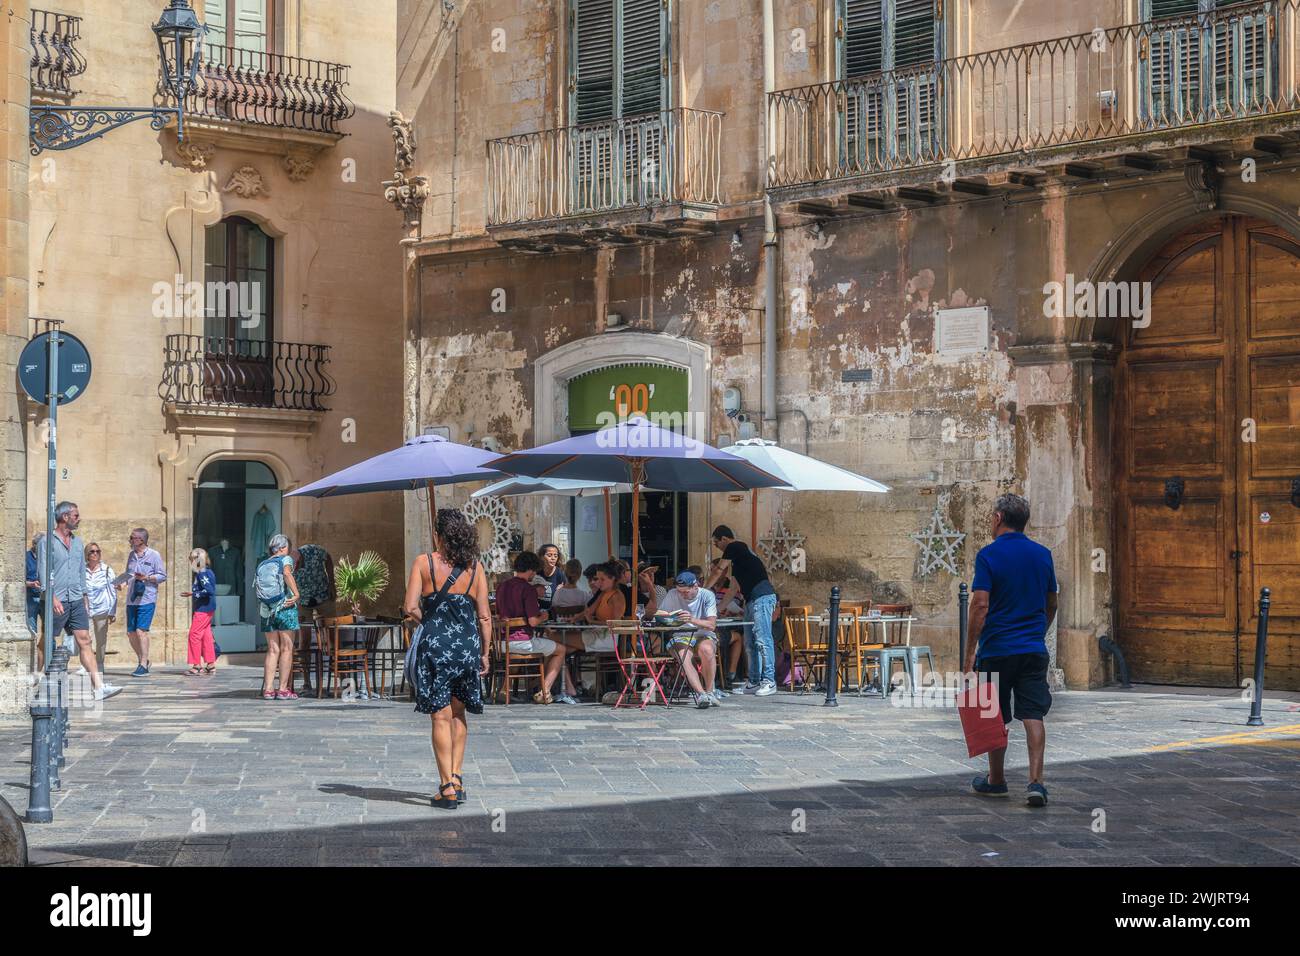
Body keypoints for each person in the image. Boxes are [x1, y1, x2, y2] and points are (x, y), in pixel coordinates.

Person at [965, 493, 1057, 808]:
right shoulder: (1043, 554)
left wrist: (969, 651)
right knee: (1033, 714)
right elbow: (1052, 602)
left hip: (996, 649)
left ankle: (996, 780)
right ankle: (1036, 782)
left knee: (994, 714)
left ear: (999, 518)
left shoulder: (988, 556)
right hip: (1032, 648)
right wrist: (1037, 633)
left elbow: (980, 604)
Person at [403, 508, 492, 810]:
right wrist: (485, 652)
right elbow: (484, 615)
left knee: (440, 717)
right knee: (458, 715)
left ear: (438, 535)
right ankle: (457, 777)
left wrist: (429, 622)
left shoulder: (423, 563)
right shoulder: (475, 567)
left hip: (436, 648)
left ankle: (446, 788)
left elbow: (409, 607)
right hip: (467, 648)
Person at [36, 502, 120, 700]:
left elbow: (81, 572)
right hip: (56, 599)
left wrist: (84, 597)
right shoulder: (47, 541)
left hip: (75, 600)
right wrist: (52, 596)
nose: (78, 518)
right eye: (75, 515)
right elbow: (43, 571)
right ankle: (38, 676)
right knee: (47, 639)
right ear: (65, 517)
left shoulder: (77, 542)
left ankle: (98, 687)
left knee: (85, 640)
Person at [706, 525, 779, 696]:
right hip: (751, 601)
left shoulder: (735, 546)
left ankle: (769, 681)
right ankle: (754, 681)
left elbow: (718, 570)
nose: (718, 548)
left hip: (762, 597)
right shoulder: (739, 562)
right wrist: (716, 610)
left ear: (724, 539)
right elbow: (732, 590)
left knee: (763, 639)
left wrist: (703, 589)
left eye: (717, 544)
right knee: (750, 642)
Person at [494, 551, 573, 705]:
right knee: (561, 650)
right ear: (531, 569)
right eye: (534, 571)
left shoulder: (502, 587)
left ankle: (505, 689)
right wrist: (544, 616)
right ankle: (545, 691)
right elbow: (533, 622)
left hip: (502, 642)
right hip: (521, 640)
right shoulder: (527, 589)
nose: (534, 574)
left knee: (524, 650)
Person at [644, 570, 720, 709]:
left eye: (685, 592)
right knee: (683, 656)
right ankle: (701, 694)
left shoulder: (707, 595)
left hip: (703, 634)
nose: (682, 595)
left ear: (695, 586)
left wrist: (691, 619)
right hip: (680, 635)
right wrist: (668, 619)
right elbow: (661, 615)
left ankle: (710, 692)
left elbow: (711, 625)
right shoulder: (673, 594)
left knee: (707, 650)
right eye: (680, 591)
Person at [257, 534, 301, 700]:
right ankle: (282, 689)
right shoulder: (285, 559)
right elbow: (287, 574)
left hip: (266, 611)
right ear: (283, 548)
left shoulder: (263, 563)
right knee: (286, 648)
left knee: (272, 649)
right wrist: (296, 594)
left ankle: (268, 689)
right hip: (285, 607)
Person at [121, 527, 167, 678]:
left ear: (141, 540)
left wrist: (146, 578)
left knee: (141, 631)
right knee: (131, 633)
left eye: (132, 537)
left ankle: (142, 665)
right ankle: (144, 659)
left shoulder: (154, 555)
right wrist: (121, 583)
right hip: (132, 599)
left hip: (147, 598)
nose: (130, 539)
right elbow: (129, 574)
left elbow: (162, 576)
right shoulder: (131, 555)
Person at [181, 548, 219, 676]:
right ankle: (210, 663)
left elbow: (209, 591)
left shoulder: (202, 573)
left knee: (194, 635)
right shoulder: (208, 571)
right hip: (208, 608)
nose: (190, 563)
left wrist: (193, 593)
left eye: (192, 560)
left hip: (203, 608)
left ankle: (196, 665)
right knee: (206, 635)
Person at [84, 542, 118, 675]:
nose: (95, 554)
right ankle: (87, 664)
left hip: (102, 608)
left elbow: (112, 591)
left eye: (97, 551)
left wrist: (112, 611)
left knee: (101, 640)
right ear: (87, 554)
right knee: (85, 639)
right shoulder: (82, 570)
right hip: (86, 609)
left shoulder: (107, 570)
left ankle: (99, 663)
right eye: (92, 551)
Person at [534, 543, 566, 612]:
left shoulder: (560, 574)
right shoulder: (536, 573)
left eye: (555, 556)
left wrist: (561, 591)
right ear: (541, 557)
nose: (553, 558)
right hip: (537, 614)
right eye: (549, 555)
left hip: (554, 614)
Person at [25, 535, 42, 648]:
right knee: (32, 629)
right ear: (35, 545)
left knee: (49, 629)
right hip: (31, 597)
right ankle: (34, 656)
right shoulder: (25, 557)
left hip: (45, 596)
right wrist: (31, 584)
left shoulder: (46, 557)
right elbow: (18, 580)